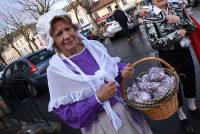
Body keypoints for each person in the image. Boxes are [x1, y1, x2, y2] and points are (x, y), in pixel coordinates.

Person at [36, 10, 152, 134]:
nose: (67, 36)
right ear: (52, 41)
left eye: (67, 29)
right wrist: (97, 98)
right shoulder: (57, 70)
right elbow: (67, 114)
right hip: (99, 127)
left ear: (74, 28)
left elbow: (111, 69)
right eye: (59, 34)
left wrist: (123, 70)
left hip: (126, 113)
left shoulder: (94, 47)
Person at [143, 0, 199, 133]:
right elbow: (155, 43)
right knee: (173, 86)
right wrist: (177, 34)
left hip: (184, 50)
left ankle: (192, 106)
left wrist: (178, 19)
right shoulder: (149, 16)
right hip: (167, 56)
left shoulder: (177, 6)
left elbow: (191, 27)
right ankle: (181, 114)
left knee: (189, 77)